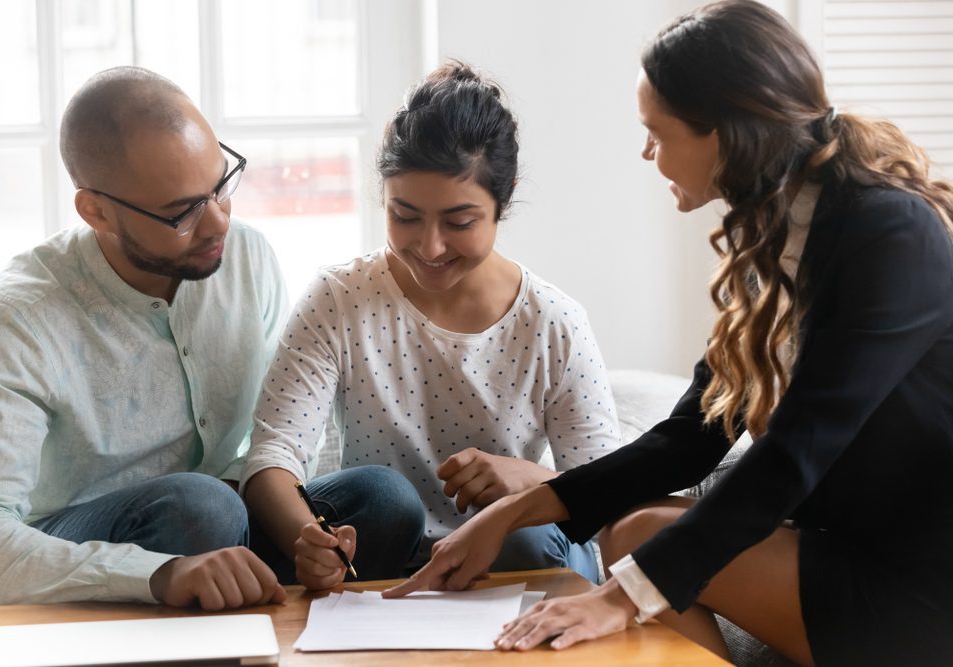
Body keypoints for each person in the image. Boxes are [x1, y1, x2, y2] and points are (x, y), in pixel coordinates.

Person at [383, 3, 953, 665]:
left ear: (723, 131)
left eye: (657, 131)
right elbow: (687, 441)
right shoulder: (771, 241)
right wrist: (510, 513)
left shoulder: (890, 231)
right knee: (634, 525)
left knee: (639, 537)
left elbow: (800, 448)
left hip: (918, 581)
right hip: (841, 546)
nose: (647, 150)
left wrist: (618, 599)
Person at [241, 62, 620, 591]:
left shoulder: (554, 323)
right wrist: (309, 537)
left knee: (521, 532)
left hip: (511, 559)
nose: (431, 246)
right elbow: (273, 454)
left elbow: (613, 492)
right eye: (406, 216)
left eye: (459, 222)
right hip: (381, 553)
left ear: (503, 198)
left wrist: (529, 480)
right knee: (385, 497)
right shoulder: (340, 298)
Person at [0, 66, 289, 610]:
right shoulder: (15, 319)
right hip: (74, 558)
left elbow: (273, 433)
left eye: (222, 185)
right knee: (201, 508)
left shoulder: (247, 257)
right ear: (97, 211)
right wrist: (157, 575)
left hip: (220, 529)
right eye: (183, 212)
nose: (219, 224)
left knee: (379, 500)